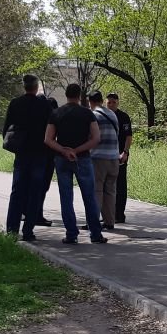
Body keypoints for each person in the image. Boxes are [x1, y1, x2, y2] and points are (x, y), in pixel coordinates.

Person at [43, 83, 106, 244]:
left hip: (62, 159)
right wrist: (76, 151)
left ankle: (71, 234)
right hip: (83, 158)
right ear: (79, 96)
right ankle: (95, 234)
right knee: (89, 196)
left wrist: (64, 151)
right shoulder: (87, 113)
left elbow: (48, 139)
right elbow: (96, 138)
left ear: (66, 95)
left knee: (66, 197)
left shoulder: (56, 113)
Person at [3, 74, 55, 241]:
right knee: (35, 192)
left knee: (17, 191)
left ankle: (12, 229)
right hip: (40, 152)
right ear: (36, 86)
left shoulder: (15, 103)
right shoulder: (45, 105)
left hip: (22, 152)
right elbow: (51, 128)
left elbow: (7, 128)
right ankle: (28, 230)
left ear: (24, 86)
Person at [88, 91, 122, 231]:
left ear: (90, 102)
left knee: (97, 190)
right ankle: (109, 221)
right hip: (114, 158)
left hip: (98, 158)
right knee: (110, 191)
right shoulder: (112, 114)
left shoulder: (93, 115)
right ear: (102, 101)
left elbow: (90, 136)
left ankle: (93, 222)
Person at [106, 93, 134, 223]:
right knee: (107, 186)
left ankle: (119, 214)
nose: (111, 105)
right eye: (109, 102)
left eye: (113, 102)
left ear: (118, 103)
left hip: (120, 155)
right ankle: (107, 214)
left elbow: (128, 136)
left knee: (120, 186)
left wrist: (125, 152)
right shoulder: (103, 116)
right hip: (106, 156)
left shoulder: (123, 117)